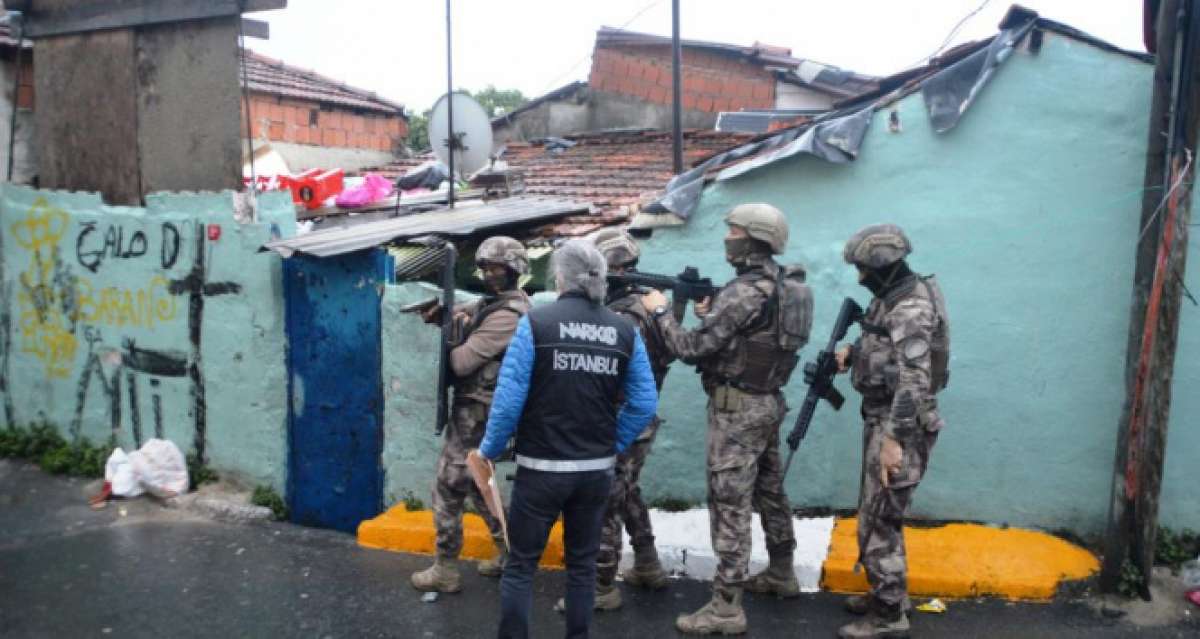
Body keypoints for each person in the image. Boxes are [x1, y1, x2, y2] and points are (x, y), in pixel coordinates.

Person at [640, 203, 813, 635]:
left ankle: (725, 608)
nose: (726, 237)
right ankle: (781, 571)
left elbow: (690, 349)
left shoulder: (741, 292)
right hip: (768, 402)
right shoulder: (786, 287)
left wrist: (662, 312)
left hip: (736, 411)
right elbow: (756, 336)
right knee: (770, 491)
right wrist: (713, 318)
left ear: (751, 238)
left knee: (730, 503)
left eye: (732, 230)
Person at [475, 239, 658, 639]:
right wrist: (611, 443)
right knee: (582, 567)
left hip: (541, 470)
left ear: (561, 276)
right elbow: (644, 403)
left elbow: (507, 403)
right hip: (594, 472)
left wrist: (487, 452)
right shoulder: (624, 330)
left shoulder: (537, 323)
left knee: (521, 565)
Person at [833, 224, 950, 639]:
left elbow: (914, 381)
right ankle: (889, 593)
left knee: (879, 519)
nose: (860, 277)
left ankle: (887, 615)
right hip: (882, 416)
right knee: (878, 511)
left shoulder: (910, 309)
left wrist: (894, 441)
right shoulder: (892, 297)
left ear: (881, 268)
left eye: (864, 269)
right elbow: (887, 348)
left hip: (899, 423)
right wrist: (854, 352)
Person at [552, 229, 675, 614]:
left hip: (620, 418)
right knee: (627, 490)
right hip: (639, 418)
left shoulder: (624, 317)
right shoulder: (645, 307)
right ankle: (648, 563)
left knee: (603, 500)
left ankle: (600, 587)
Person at [411, 236, 533, 593]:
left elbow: (462, 362)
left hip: (479, 411)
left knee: (448, 486)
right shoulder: (495, 305)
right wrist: (445, 315)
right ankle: (509, 553)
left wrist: (453, 330)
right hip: (478, 409)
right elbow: (467, 312)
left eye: (495, 267)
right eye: (483, 268)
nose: (488, 274)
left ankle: (445, 568)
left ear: (514, 270)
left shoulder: (510, 315)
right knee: (481, 485)